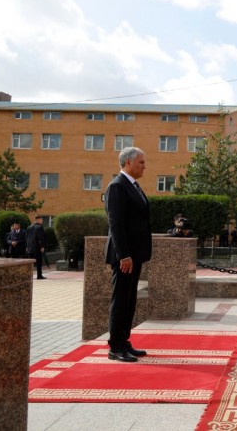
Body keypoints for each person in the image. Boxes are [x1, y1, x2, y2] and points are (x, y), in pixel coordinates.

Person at [104, 147, 152, 363]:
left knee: (130, 299)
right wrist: (123, 255)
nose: (144, 166)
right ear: (128, 163)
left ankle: (124, 341)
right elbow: (116, 224)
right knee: (121, 299)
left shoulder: (133, 185)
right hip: (124, 257)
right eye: (141, 162)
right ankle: (115, 346)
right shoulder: (117, 186)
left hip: (135, 254)